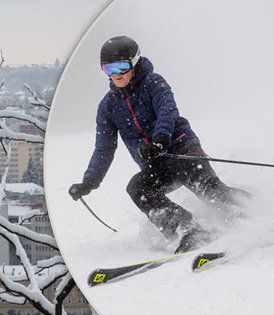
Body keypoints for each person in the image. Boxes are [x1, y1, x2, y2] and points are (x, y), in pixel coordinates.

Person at [68, 35, 247, 254]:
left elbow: (167, 110)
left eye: (121, 67)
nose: (116, 75)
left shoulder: (153, 83)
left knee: (209, 191)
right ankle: (187, 229)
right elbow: (104, 148)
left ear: (134, 62)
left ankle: (251, 212)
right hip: (156, 164)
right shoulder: (108, 106)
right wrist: (90, 181)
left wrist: (160, 139)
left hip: (182, 150)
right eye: (108, 69)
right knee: (137, 188)